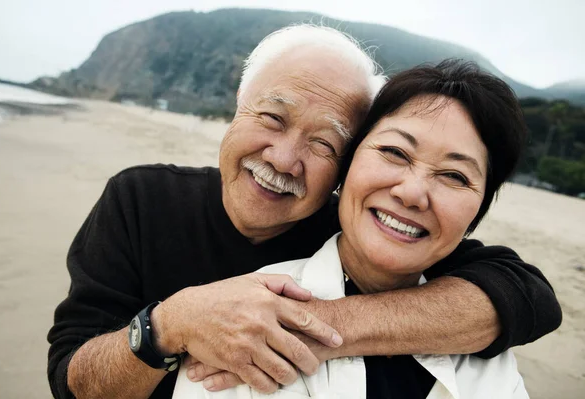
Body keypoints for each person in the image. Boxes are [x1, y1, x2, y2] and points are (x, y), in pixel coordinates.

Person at [47, 25, 560, 399]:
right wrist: (171, 324)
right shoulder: (142, 199)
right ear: (237, 106)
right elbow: (73, 380)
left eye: (324, 143)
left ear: (347, 167)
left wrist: (299, 325)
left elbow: (525, 295)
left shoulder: (364, 231)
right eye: (272, 116)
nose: (282, 159)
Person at [173, 59, 531, 398]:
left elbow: (526, 289)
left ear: (478, 211)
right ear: (345, 168)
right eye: (395, 153)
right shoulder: (241, 327)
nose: (411, 194)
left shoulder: (488, 355)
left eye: (454, 176)